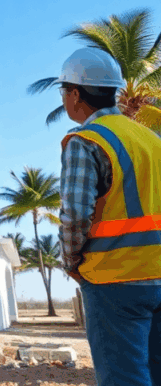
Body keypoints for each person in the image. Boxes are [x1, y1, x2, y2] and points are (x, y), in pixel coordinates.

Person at [53, 47, 161, 386]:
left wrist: (71, 262)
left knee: (123, 378)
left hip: (115, 280)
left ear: (75, 94)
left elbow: (75, 216)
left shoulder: (86, 141)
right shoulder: (150, 139)